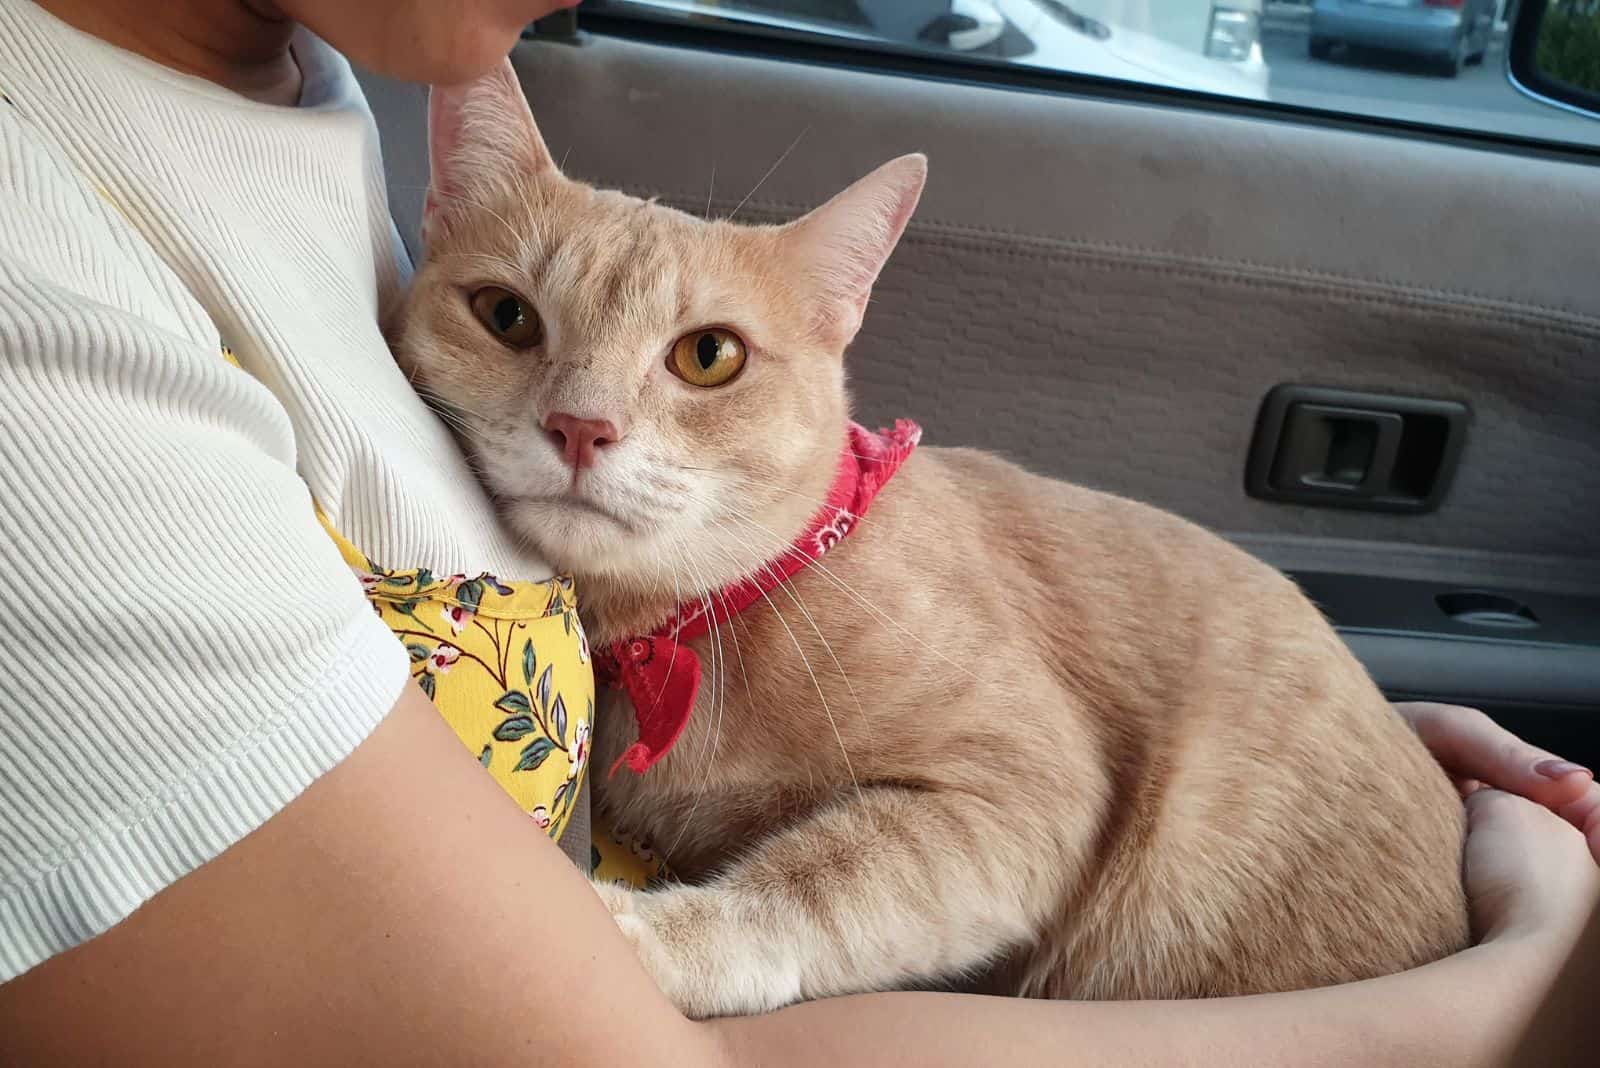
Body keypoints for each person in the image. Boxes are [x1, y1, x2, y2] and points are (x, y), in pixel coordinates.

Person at [0, 1, 1596, 1063]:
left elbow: (1028, 791)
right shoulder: (48, 305)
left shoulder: (308, 80)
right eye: (507, 321)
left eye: (703, 361)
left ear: (840, 327)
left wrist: (1323, 730)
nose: (586, 416)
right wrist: (1496, 999)